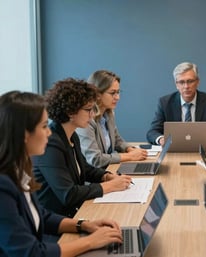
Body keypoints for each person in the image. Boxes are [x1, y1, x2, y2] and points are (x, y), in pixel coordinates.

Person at [0, 91, 123, 256]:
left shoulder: (19, 170)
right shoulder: (3, 185)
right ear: (24, 134)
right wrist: (90, 242)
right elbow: (31, 253)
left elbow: (41, 215)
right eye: (44, 126)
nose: (49, 132)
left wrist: (84, 225)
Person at [32, 78, 133, 217]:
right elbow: (69, 194)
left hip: (74, 212)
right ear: (70, 112)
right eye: (88, 110)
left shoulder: (72, 136)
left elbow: (84, 168)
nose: (92, 115)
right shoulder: (50, 144)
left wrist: (107, 176)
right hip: (56, 222)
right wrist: (109, 186)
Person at [76, 70, 147, 168]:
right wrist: (129, 156)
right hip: (94, 177)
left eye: (118, 92)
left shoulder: (109, 113)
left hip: (109, 168)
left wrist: (129, 149)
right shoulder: (85, 119)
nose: (117, 97)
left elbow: (117, 140)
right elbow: (95, 159)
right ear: (98, 94)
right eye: (113, 93)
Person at [146, 62, 206, 146]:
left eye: (190, 81)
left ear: (197, 82)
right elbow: (152, 132)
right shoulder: (165, 102)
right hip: (174, 150)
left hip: (201, 149)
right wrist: (161, 139)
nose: (186, 86)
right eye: (181, 82)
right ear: (176, 85)